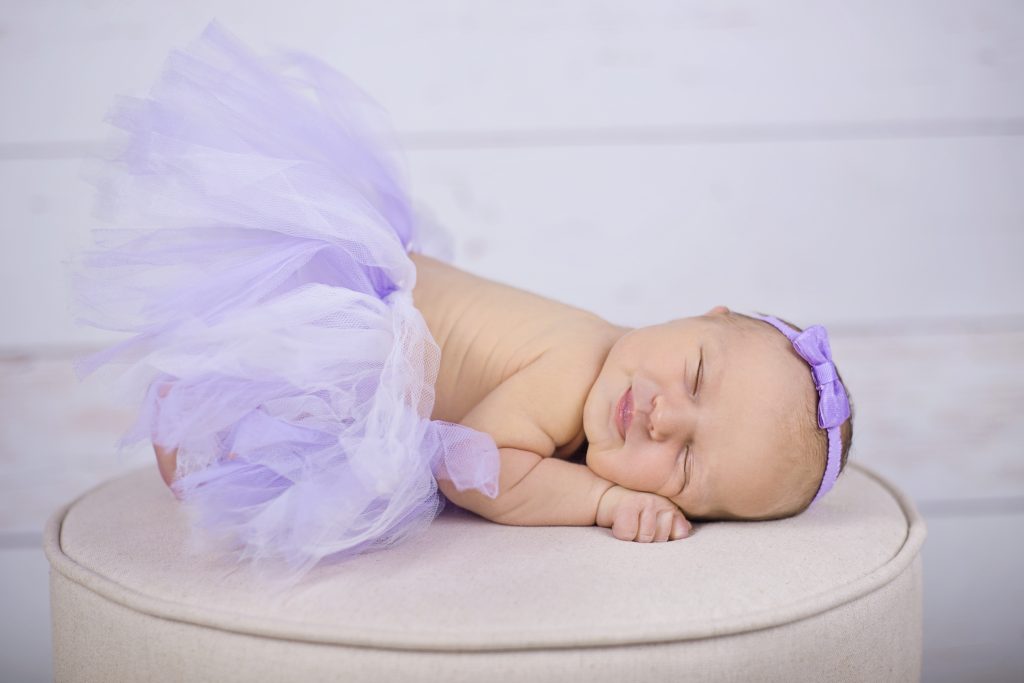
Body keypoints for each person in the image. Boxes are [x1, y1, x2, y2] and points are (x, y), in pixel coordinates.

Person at [68, 20, 853, 583]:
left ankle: (205, 411)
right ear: (703, 315)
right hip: (358, 323)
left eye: (683, 462)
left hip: (380, 331)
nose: (664, 415)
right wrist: (603, 499)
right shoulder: (577, 366)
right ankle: (195, 404)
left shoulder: (610, 376)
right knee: (252, 411)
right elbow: (470, 466)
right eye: (697, 375)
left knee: (271, 447)